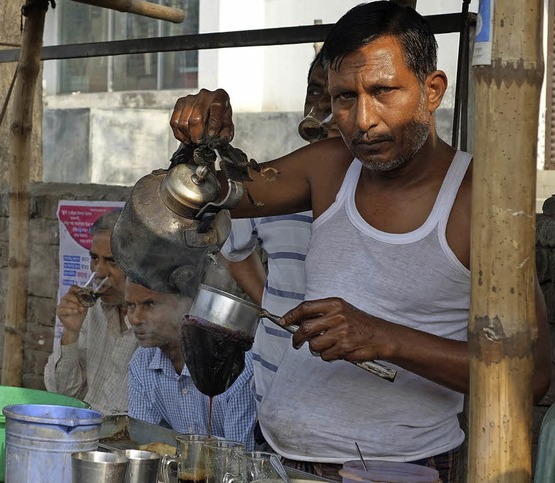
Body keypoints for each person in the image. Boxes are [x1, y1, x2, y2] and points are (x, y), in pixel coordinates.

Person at [167, 2, 551, 481]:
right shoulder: (330, 165)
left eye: (383, 91)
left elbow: (533, 375)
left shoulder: (480, 201)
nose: (362, 119)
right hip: (280, 458)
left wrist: (386, 338)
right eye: (344, 97)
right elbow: (212, 195)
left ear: (432, 90)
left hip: (398, 467)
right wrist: (208, 141)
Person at [220, 52, 333, 410]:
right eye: (315, 93)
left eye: (341, 96)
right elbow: (235, 254)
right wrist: (272, 308)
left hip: (347, 406)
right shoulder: (272, 183)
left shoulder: (385, 193)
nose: (324, 107)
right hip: (272, 390)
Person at [125, 280, 257, 450]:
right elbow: (144, 446)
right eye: (130, 306)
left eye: (150, 304)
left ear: (188, 305)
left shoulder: (236, 367)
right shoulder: (141, 363)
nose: (135, 319)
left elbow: (238, 459)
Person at [44, 210, 137, 415]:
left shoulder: (152, 323)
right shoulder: (91, 310)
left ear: (137, 264)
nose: (99, 271)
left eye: (112, 261)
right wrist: (70, 333)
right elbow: (64, 395)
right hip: (82, 429)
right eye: (94, 258)